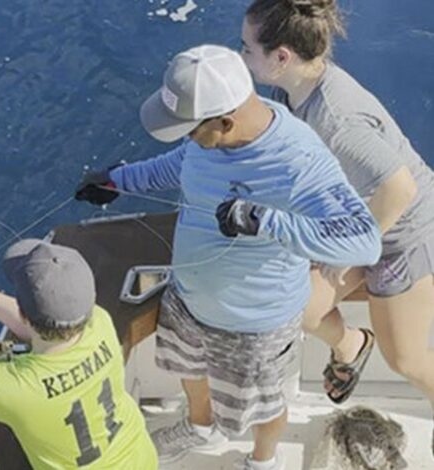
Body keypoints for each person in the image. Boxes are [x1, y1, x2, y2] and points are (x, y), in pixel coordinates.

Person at [75, 44, 381, 469]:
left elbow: (363, 240)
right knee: (187, 369)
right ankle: (200, 426)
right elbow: (180, 164)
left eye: (188, 128)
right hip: (188, 298)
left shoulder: (298, 159)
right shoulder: (208, 141)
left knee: (263, 406)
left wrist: (266, 221)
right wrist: (116, 181)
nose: (186, 137)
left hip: (254, 322)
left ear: (223, 121)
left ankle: (264, 460)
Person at [242, 0, 434, 455]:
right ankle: (350, 346)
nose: (242, 56)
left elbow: (401, 189)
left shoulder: (338, 120)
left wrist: (346, 254)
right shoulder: (291, 91)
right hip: (353, 223)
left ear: (282, 57)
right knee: (300, 307)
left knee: (405, 359)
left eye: (247, 48)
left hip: (401, 237)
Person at [0, 239, 158, 469]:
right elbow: (42, 323)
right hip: (141, 459)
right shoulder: (101, 323)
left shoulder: (5, 388)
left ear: (24, 314)